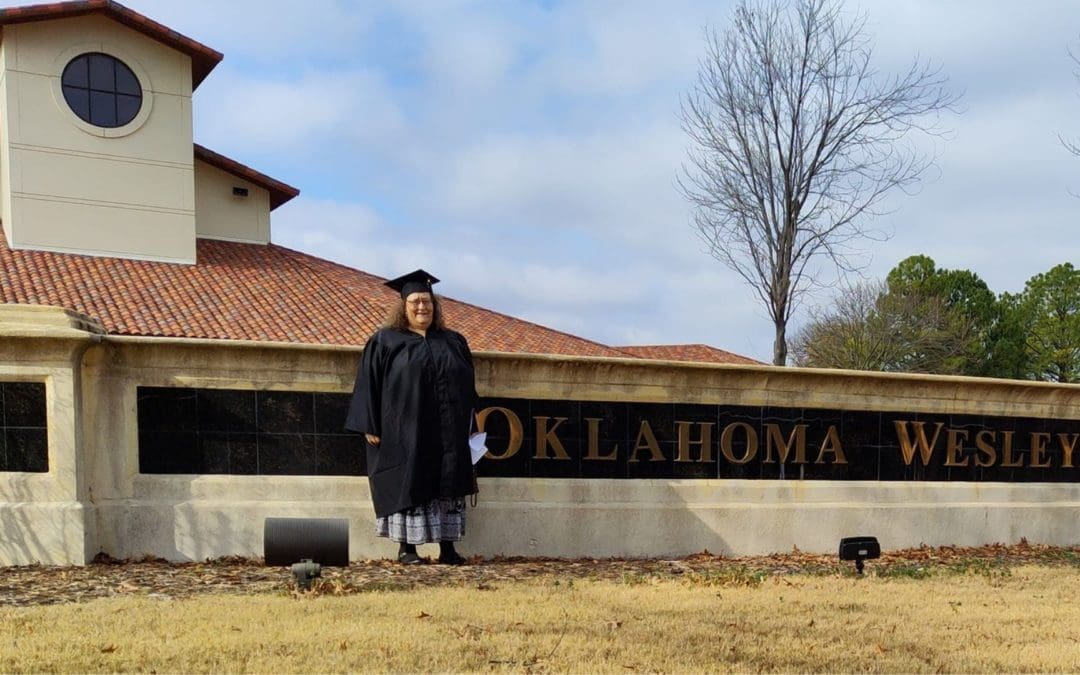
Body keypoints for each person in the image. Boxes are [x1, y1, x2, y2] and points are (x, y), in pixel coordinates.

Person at [345, 269, 479, 565]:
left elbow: (469, 387)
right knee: (409, 481)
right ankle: (407, 549)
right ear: (403, 307)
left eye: (427, 302)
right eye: (416, 302)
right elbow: (369, 383)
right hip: (405, 430)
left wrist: (472, 423)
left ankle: (448, 547)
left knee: (448, 482)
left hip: (448, 429)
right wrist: (370, 423)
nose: (422, 307)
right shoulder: (386, 341)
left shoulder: (453, 341)